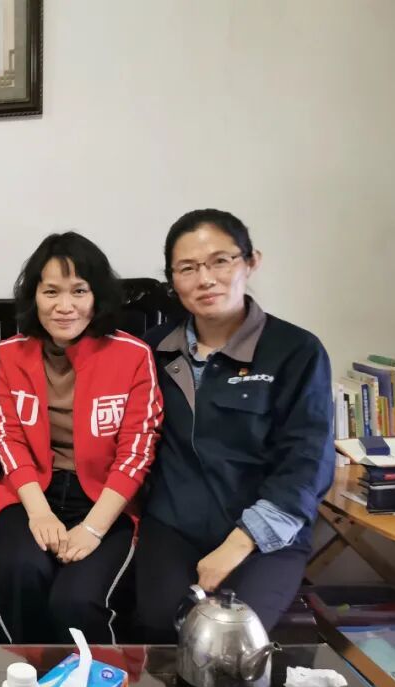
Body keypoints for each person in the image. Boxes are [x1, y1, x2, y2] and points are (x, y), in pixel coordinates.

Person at [137, 209, 333, 640]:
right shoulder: (152, 351)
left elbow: (306, 464)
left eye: (220, 261)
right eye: (188, 268)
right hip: (173, 526)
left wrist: (239, 543)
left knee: (232, 638)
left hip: (265, 537)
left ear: (251, 261)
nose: (205, 279)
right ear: (172, 280)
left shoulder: (296, 351)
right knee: (158, 627)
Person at [0, 232, 162, 644]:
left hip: (104, 498)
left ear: (97, 295)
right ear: (34, 296)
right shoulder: (10, 354)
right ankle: (28, 675)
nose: (64, 306)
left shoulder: (133, 355)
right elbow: (7, 436)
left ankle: (91, 680)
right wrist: (39, 513)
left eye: (79, 291)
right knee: (21, 573)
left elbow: (137, 451)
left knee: (76, 601)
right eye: (51, 291)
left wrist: (94, 529)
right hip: (31, 493)